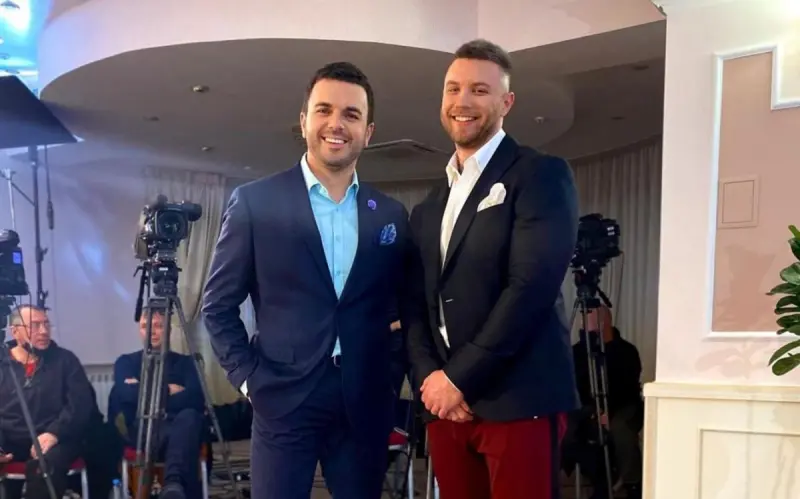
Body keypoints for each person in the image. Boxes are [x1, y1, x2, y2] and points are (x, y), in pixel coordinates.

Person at [202, 61, 414, 499]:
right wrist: (249, 380)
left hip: (364, 402)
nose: (336, 124)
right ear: (303, 122)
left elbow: (402, 309)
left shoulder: (390, 215)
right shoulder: (255, 203)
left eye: (351, 114)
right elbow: (217, 306)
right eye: (324, 110)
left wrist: (390, 377)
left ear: (368, 132)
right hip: (281, 396)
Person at [405, 39, 580, 499]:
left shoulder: (541, 174)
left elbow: (531, 289)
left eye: (479, 90)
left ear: (507, 102)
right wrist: (430, 381)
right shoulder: (427, 207)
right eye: (453, 89)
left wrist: (458, 379)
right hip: (445, 407)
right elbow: (416, 305)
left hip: (519, 398)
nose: (462, 101)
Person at [0, 305, 120, 499]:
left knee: (46, 467)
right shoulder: (3, 364)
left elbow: (80, 404)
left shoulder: (65, 360)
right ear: (15, 331)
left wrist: (54, 433)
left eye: (46, 324)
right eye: (35, 325)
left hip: (56, 439)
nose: (43, 331)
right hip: (10, 440)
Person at [109, 308, 206, 499]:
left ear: (168, 329)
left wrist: (143, 390)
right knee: (184, 421)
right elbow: (127, 396)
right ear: (139, 330)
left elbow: (195, 399)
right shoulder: (126, 363)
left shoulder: (187, 363)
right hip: (143, 429)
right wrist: (169, 390)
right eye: (145, 326)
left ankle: (173, 486)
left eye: (158, 326)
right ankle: (174, 486)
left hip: (179, 427)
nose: (151, 332)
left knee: (189, 417)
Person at [568, 305, 643, 499]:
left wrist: (607, 412)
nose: (583, 324)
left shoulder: (626, 351)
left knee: (620, 428)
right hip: (589, 408)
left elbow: (627, 387)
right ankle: (600, 480)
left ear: (603, 322)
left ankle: (633, 483)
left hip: (623, 406)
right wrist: (594, 411)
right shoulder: (577, 352)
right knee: (574, 429)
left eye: (589, 319)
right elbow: (575, 386)